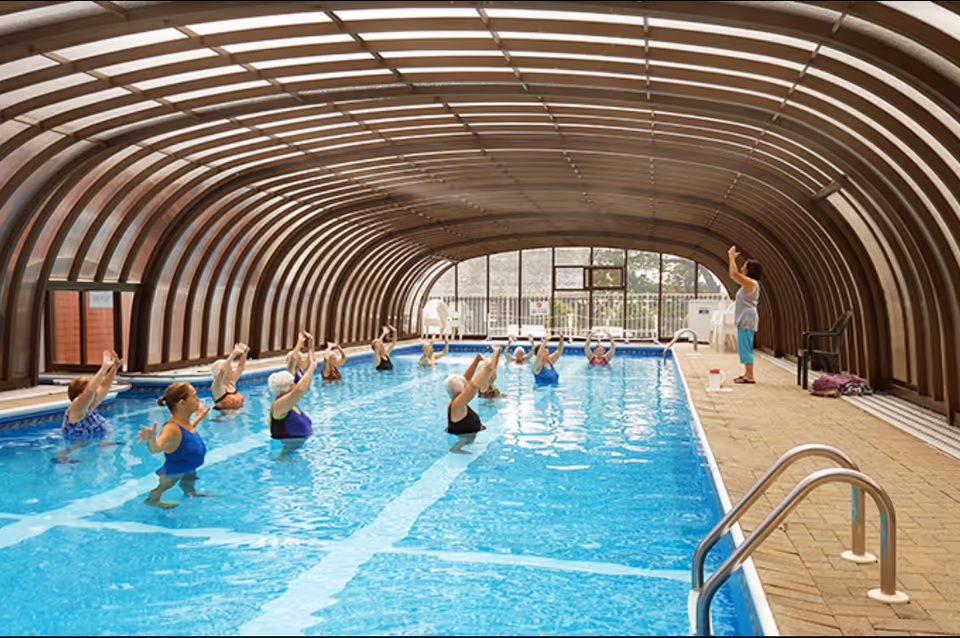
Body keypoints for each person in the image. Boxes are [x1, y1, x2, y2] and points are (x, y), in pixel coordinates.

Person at [136, 382, 214, 509]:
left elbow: (188, 432)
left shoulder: (183, 423)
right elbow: (156, 448)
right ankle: (153, 499)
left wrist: (199, 417)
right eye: (194, 396)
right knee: (166, 484)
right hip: (175, 468)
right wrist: (151, 440)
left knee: (189, 478)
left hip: (188, 465)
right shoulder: (171, 428)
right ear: (182, 403)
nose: (198, 399)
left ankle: (190, 492)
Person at [55, 350, 123, 463]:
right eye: (92, 390)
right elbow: (89, 392)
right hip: (77, 453)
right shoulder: (76, 410)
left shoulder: (89, 407)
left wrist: (115, 367)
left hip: (91, 447)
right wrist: (104, 368)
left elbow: (104, 386)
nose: (95, 392)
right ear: (80, 395)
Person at [445, 346, 501, 454]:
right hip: (464, 439)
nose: (467, 383)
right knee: (464, 440)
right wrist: (485, 367)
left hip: (469, 434)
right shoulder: (457, 406)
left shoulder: (456, 400)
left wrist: (476, 361)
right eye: (465, 385)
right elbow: (473, 387)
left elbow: (466, 380)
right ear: (460, 393)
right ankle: (456, 448)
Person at [269, 351, 316, 461]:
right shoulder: (279, 404)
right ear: (289, 386)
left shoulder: (288, 403)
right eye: (293, 383)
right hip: (288, 452)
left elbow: (304, 387)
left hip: (295, 448)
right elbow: (300, 390)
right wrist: (312, 367)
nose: (296, 384)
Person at [729, 245, 763, 384]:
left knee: (746, 347)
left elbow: (734, 274)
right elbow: (735, 275)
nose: (742, 268)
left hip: (747, 319)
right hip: (745, 318)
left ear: (749, 270)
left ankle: (750, 376)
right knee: (744, 346)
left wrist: (731, 258)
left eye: (744, 266)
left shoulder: (751, 283)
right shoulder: (749, 284)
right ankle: (747, 373)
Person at [210, 342, 248, 410]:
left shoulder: (231, 383)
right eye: (230, 370)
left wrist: (244, 353)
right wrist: (234, 354)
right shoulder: (217, 387)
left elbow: (240, 367)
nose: (233, 371)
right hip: (224, 419)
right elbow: (223, 371)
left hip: (237, 418)